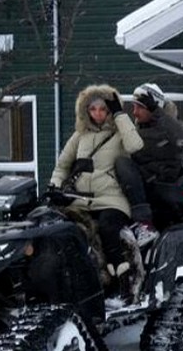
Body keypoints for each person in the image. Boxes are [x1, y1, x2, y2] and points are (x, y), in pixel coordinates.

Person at [49, 84, 144, 302]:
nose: (98, 114)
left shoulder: (120, 134)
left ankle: (124, 282)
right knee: (64, 231)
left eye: (104, 109)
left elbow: (135, 145)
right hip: (80, 200)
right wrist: (54, 186)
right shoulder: (79, 136)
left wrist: (120, 114)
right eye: (93, 109)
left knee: (108, 228)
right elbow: (62, 166)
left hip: (111, 200)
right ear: (86, 111)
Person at [115, 83, 183, 244]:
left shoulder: (167, 128)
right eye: (133, 107)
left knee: (123, 164)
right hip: (144, 184)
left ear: (153, 106)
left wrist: (158, 112)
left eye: (140, 107)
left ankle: (145, 225)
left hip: (158, 185)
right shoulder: (140, 129)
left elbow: (182, 137)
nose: (134, 112)